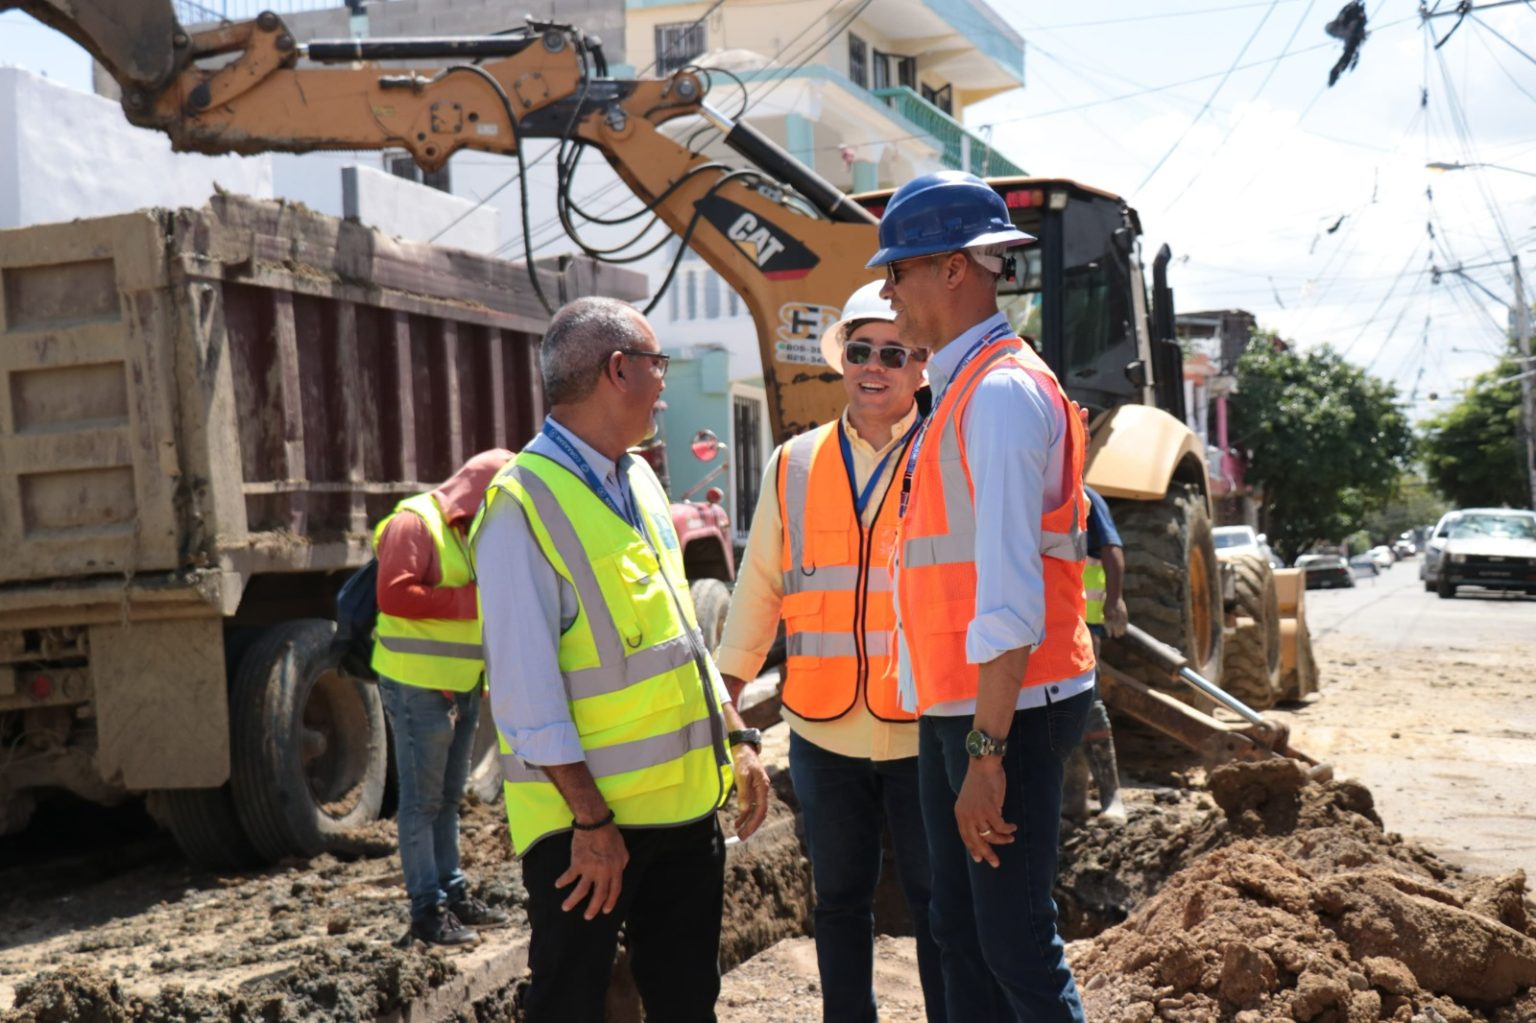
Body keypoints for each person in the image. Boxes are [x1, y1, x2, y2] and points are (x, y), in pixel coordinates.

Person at [469, 296, 772, 1023]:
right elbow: (524, 695)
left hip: (683, 812)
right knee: (570, 1004)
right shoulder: (521, 504)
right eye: (657, 365)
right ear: (617, 370)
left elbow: (681, 636)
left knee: (686, 1001)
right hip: (589, 835)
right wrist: (592, 822)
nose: (664, 383)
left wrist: (736, 733)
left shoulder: (635, 477)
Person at [871, 170, 1095, 1023]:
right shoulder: (959, 390)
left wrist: (987, 752)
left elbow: (1008, 592)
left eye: (900, 269)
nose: (886, 290)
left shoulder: (998, 396)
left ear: (956, 269)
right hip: (962, 704)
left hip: (1007, 711)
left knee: (1012, 943)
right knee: (957, 932)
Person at [716, 279, 945, 1023]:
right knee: (839, 900)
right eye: (859, 349)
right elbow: (759, 586)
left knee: (938, 901)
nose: (873, 365)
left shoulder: (948, 457)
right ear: (841, 359)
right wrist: (729, 693)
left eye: (893, 352)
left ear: (920, 368)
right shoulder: (794, 462)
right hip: (821, 727)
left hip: (922, 724)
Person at [371, 449, 515, 946]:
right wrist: (473, 598)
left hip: (462, 684)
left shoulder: (468, 531)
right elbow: (393, 595)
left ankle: (452, 895)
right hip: (418, 686)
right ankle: (426, 912)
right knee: (422, 803)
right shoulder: (413, 524)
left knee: (449, 799)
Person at [1062, 485, 1129, 824]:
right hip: (1049, 619)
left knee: (1089, 702)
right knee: (1062, 710)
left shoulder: (1084, 497)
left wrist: (1115, 599)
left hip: (1083, 621)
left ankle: (1110, 795)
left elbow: (1111, 547)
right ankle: (1072, 800)